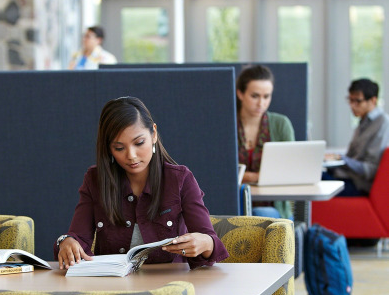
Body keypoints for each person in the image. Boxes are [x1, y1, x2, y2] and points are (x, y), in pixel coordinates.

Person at [54, 96, 228, 272]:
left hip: (170, 289)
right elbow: (78, 239)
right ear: (108, 148)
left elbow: (210, 243)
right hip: (111, 289)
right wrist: (67, 242)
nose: (131, 155)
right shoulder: (95, 180)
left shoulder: (180, 179)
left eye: (139, 143)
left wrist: (205, 243)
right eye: (119, 148)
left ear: (153, 133)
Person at [236, 65, 295, 219]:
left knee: (259, 215)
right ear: (240, 93)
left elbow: (290, 170)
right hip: (233, 204)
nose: (261, 103)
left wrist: (244, 176)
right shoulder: (226, 124)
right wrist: (257, 177)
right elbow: (219, 172)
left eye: (266, 96)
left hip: (271, 207)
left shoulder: (281, 124)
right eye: (255, 96)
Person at [323, 78, 389, 196]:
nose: (352, 106)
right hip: (347, 178)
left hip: (359, 185)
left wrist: (341, 159)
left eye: (357, 101)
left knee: (311, 182)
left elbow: (370, 169)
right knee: (311, 176)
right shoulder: (363, 122)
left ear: (373, 101)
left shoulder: (382, 123)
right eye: (350, 100)